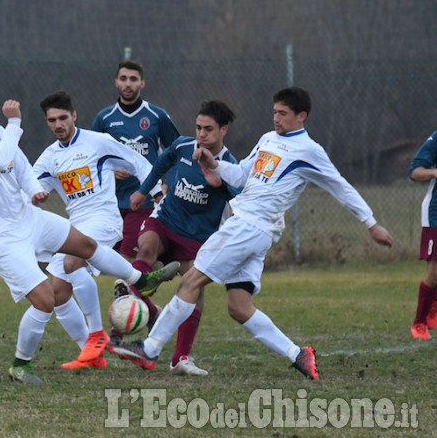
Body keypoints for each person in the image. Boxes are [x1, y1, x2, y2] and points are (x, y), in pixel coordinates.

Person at [112, 87, 393, 379]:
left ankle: (150, 349)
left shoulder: (309, 151)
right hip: (255, 230)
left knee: (191, 281)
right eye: (274, 112)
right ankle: (298, 354)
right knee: (239, 307)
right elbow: (243, 175)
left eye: (283, 114)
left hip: (248, 227)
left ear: (301, 116)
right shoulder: (268, 139)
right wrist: (215, 166)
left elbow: (340, 186)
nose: (276, 118)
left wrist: (371, 223)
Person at [0, 78, 179, 384]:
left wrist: (34, 191)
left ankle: (141, 281)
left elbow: (22, 168)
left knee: (84, 245)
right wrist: (14, 123)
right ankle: (21, 364)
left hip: (29, 218)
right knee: (46, 298)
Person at [33, 91, 162, 370]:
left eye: (63, 118)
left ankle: (96, 334)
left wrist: (156, 195)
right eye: (52, 120)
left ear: (74, 116)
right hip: (76, 222)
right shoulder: (50, 157)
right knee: (57, 294)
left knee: (71, 260)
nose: (58, 125)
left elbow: (139, 163)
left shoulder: (98, 142)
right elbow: (27, 187)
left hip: (103, 219)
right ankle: (91, 356)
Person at [114, 100, 238, 376]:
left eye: (208, 129)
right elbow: (160, 163)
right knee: (144, 250)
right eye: (198, 127)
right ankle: (122, 323)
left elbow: (243, 200)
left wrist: (223, 183)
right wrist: (144, 191)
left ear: (223, 130)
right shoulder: (183, 146)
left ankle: (180, 358)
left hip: (198, 238)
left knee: (193, 289)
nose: (201, 134)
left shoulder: (230, 165)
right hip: (165, 221)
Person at [91, 60, 179, 261]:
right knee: (112, 261)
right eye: (123, 79)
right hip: (110, 202)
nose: (128, 84)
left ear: (142, 83)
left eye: (133, 79)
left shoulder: (157, 116)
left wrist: (167, 184)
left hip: (144, 201)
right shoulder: (105, 118)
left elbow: (178, 154)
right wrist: (110, 173)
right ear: (116, 82)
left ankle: (146, 273)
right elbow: (90, 159)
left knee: (127, 261)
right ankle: (153, 270)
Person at [408, 131, 437, 340]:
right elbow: (415, 171)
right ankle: (419, 322)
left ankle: (432, 308)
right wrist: (435, 172)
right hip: (436, 214)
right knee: (435, 271)